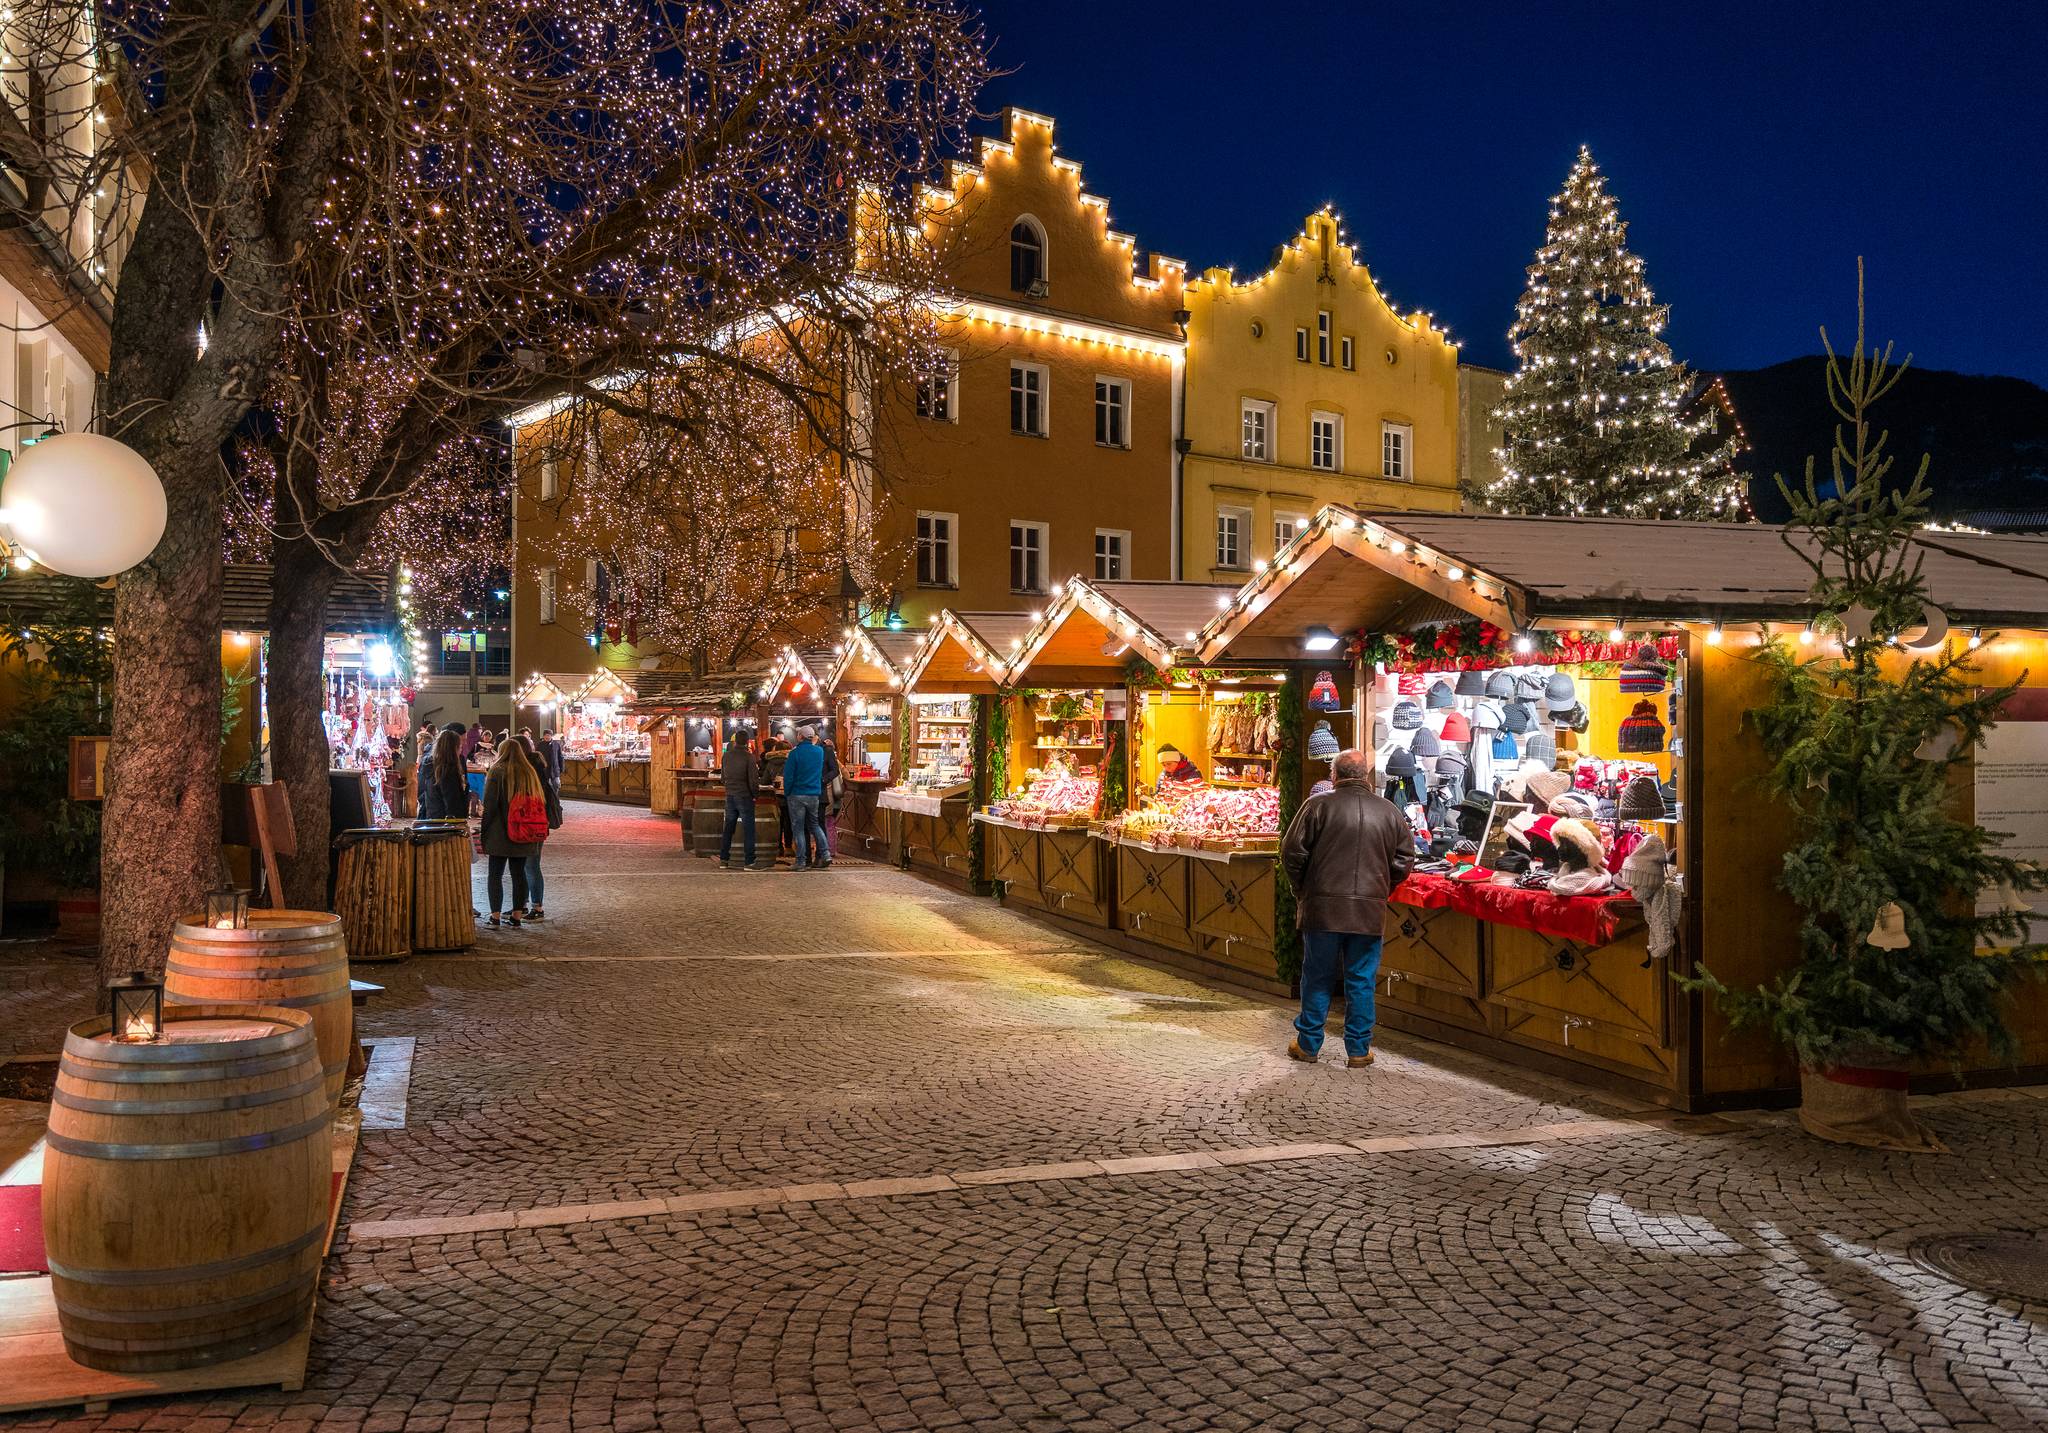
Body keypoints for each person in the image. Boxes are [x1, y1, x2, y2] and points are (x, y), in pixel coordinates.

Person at [1279, 747, 1413, 1068]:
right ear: (1365, 776)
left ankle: (1309, 1044)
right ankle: (1358, 1049)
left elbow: (1291, 854)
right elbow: (1404, 860)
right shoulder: (1389, 811)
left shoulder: (1317, 806)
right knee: (1361, 979)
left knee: (1317, 976)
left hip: (1322, 909)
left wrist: (1304, 890)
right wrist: (1380, 890)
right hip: (1368, 912)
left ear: (1334, 776)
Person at [479, 739, 548, 928]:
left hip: (499, 833)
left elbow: (490, 806)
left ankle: (495, 916)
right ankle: (517, 917)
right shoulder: (529, 772)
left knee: (495, 874)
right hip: (523, 831)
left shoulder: (497, 771)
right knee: (519, 875)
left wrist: (483, 831)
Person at [514, 733, 564, 918]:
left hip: (532, 822)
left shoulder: (529, 769)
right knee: (527, 865)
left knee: (530, 865)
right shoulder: (535, 766)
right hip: (537, 822)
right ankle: (524, 904)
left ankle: (536, 907)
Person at [780, 726, 829, 870]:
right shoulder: (819, 752)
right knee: (814, 825)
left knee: (799, 828)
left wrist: (788, 792)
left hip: (797, 794)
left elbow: (788, 777)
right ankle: (825, 854)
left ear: (800, 736)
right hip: (814, 794)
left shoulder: (794, 754)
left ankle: (801, 861)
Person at [718, 728, 760, 870]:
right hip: (744, 795)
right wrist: (755, 795)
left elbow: (723, 778)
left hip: (730, 795)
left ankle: (724, 859)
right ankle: (749, 861)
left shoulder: (726, 756)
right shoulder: (749, 757)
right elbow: (753, 780)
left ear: (735, 741)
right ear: (747, 742)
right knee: (749, 829)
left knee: (728, 828)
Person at [420, 729, 470, 821]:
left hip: (431, 817)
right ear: (454, 748)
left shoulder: (428, 765)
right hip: (447, 823)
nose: (460, 751)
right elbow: (451, 801)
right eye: (460, 747)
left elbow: (421, 792)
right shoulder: (449, 770)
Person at [818, 731, 843, 860]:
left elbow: (838, 772)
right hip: (836, 795)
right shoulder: (836, 763)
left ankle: (827, 849)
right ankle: (830, 849)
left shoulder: (827, 760)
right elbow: (843, 773)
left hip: (829, 794)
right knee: (829, 822)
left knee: (827, 822)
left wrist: (823, 780)